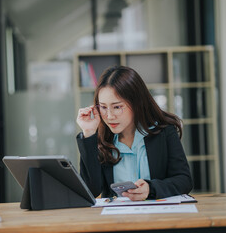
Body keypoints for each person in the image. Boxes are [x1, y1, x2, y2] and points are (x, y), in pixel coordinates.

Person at [76, 65, 193, 201]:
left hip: (157, 217)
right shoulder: (100, 138)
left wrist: (151, 188)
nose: (109, 116)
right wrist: (89, 133)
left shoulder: (164, 132)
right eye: (103, 107)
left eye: (117, 107)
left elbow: (184, 181)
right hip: (115, 219)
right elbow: (90, 190)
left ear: (137, 103)